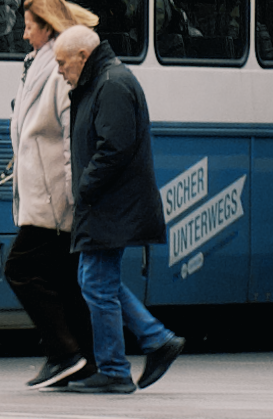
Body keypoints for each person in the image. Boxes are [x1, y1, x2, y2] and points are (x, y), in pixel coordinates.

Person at [54, 25, 184, 396]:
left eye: (63, 62)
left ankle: (114, 369)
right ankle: (156, 339)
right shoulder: (103, 80)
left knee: (95, 282)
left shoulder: (111, 83)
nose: (60, 70)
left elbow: (114, 148)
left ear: (83, 56)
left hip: (110, 204)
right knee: (96, 281)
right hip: (109, 203)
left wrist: (84, 188)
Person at [6, 0, 98, 389]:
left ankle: (65, 354)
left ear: (47, 28)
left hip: (52, 197)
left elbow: (67, 139)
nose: (24, 34)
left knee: (20, 270)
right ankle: (84, 360)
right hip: (41, 191)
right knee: (64, 280)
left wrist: (71, 198)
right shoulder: (37, 63)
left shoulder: (56, 68)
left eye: (29, 27)